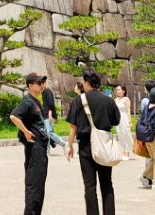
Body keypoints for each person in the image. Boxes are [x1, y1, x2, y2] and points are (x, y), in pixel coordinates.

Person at [66, 69, 121, 215]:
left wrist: (69, 145)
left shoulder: (78, 101)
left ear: (87, 82)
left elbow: (73, 126)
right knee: (107, 184)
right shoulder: (108, 100)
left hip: (86, 147)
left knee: (89, 185)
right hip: (104, 145)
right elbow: (116, 121)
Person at [10, 73, 50, 215]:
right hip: (34, 150)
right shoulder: (27, 102)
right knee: (34, 189)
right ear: (30, 85)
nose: (42, 85)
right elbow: (14, 116)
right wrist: (26, 132)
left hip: (41, 150)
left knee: (39, 189)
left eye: (43, 83)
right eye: (39, 83)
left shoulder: (36, 101)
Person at [40, 78, 67, 151]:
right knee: (46, 133)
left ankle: (63, 144)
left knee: (49, 132)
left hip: (49, 115)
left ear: (45, 83)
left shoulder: (48, 92)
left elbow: (51, 104)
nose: (41, 86)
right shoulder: (44, 92)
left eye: (42, 84)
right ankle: (47, 150)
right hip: (46, 115)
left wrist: (50, 114)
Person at [113, 86, 133, 161]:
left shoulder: (126, 99)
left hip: (124, 118)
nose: (117, 91)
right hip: (118, 119)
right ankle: (123, 152)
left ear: (123, 91)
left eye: (119, 90)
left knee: (126, 135)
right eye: (117, 90)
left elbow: (128, 111)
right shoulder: (115, 100)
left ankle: (127, 153)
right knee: (120, 135)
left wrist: (130, 121)